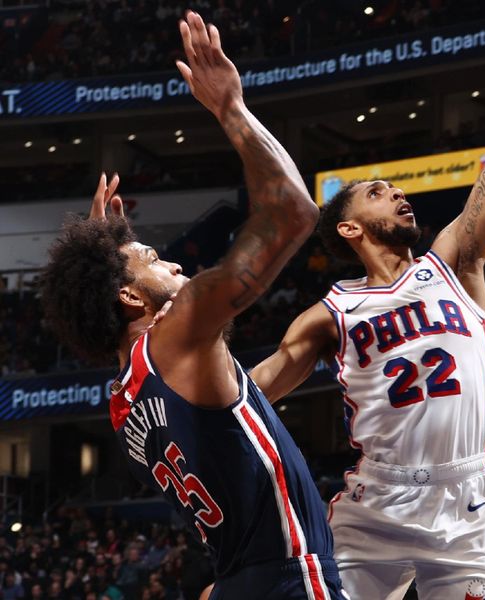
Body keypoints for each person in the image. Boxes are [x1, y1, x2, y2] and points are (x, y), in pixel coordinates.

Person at [240, 0, 485, 597]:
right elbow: (248, 396)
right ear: (349, 229)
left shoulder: (455, 262)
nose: (399, 195)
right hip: (375, 505)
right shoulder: (332, 312)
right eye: (380, 193)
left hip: (466, 503)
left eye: (396, 189)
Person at [39, 12, 345, 600]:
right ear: (128, 297)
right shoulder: (177, 333)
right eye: (155, 257)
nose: (175, 262)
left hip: (236, 583)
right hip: (290, 579)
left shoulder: (124, 404)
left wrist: (107, 251)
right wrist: (231, 107)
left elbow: (226, 423)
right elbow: (294, 214)